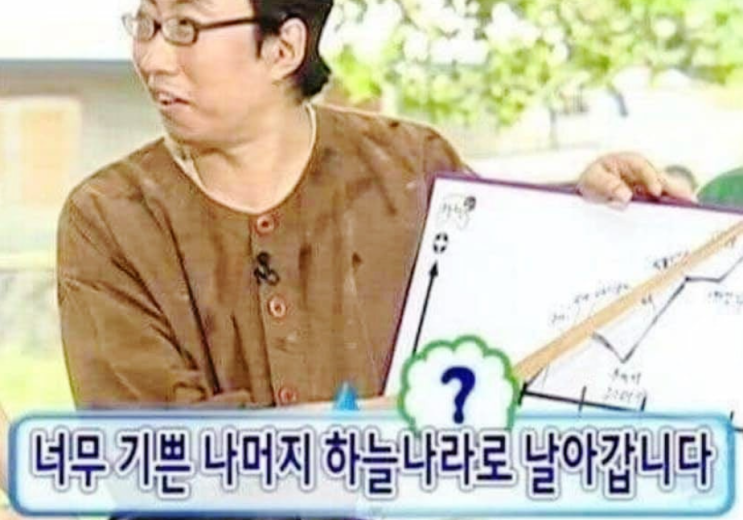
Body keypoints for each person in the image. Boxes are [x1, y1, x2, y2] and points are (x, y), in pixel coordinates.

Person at [57, 0, 694, 412]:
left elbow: (525, 307)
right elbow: (147, 449)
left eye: (183, 28)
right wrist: (368, 430)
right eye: (145, 24)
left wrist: (595, 209)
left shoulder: (411, 169)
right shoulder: (109, 217)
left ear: (282, 49)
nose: (152, 57)